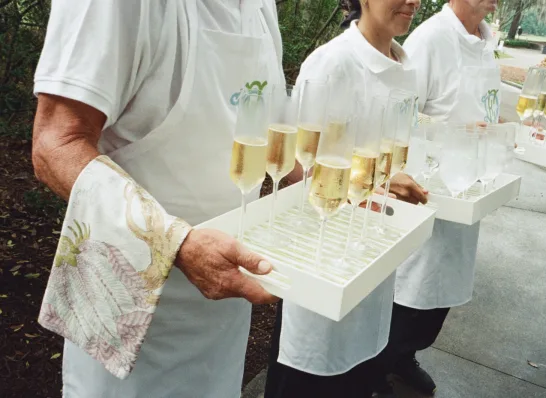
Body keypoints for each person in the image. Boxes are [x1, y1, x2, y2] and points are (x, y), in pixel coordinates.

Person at [31, 1, 285, 397]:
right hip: (124, 324)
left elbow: (269, 134)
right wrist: (177, 244)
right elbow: (55, 143)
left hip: (225, 317)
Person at [263, 1, 427, 397]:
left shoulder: (405, 69)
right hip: (323, 255)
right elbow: (296, 167)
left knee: (363, 366)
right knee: (312, 375)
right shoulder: (332, 64)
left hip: (372, 253)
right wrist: (372, 184)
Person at [374, 0, 502, 395]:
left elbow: (487, 111)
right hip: (425, 190)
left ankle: (403, 356)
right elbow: (401, 114)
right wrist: (455, 136)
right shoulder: (430, 39)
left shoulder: (485, 41)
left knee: (438, 293)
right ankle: (380, 370)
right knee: (409, 291)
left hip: (467, 189)